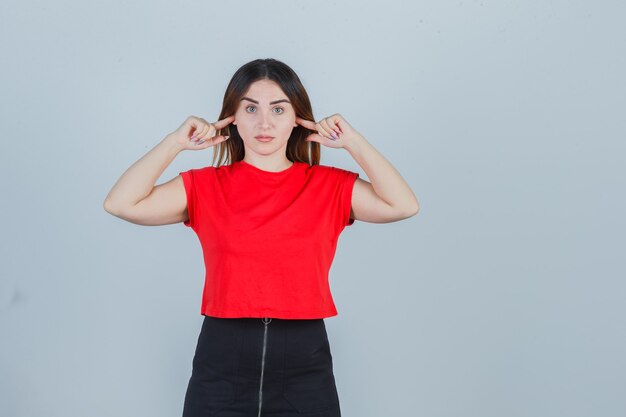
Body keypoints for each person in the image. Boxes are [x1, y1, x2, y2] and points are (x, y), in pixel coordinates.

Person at [103, 58, 419, 417]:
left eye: (278, 109)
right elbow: (120, 203)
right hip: (221, 363)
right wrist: (174, 143)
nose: (264, 123)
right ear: (232, 116)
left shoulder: (329, 185)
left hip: (304, 366)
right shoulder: (205, 186)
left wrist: (354, 143)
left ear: (297, 118)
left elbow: (403, 205)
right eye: (250, 108)